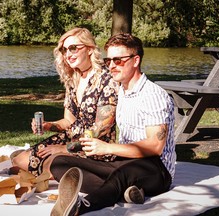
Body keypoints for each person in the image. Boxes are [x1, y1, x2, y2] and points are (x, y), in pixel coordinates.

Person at [49, 33, 176, 216]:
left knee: (123, 174)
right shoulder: (123, 90)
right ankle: (128, 192)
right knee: (60, 163)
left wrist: (107, 148)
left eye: (118, 61)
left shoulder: (152, 95)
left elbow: (155, 147)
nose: (112, 66)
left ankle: (80, 206)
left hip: (156, 169)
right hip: (125, 161)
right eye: (109, 61)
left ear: (135, 60)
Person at [11, 27, 118, 178]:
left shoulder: (106, 79)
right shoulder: (73, 78)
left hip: (94, 145)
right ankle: (50, 169)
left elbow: (102, 129)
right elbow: (69, 121)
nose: (68, 54)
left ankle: (53, 168)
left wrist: (65, 148)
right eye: (64, 50)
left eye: (73, 48)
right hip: (71, 137)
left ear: (89, 49)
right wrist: (48, 125)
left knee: (54, 164)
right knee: (19, 161)